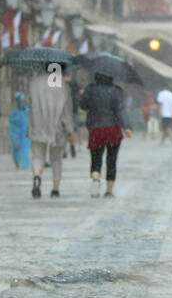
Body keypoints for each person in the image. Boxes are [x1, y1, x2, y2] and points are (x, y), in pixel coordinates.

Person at [80, 71, 134, 198]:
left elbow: (83, 106)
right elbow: (120, 110)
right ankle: (109, 191)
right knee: (112, 160)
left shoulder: (90, 89)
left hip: (96, 129)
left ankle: (95, 177)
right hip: (112, 129)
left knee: (96, 158)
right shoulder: (116, 91)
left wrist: (85, 97)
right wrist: (127, 126)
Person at [27, 64, 77, 198]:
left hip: (37, 125)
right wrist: (71, 131)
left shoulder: (34, 83)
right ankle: (55, 189)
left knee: (38, 156)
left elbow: (29, 104)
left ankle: (37, 176)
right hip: (57, 128)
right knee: (56, 159)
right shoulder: (63, 87)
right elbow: (66, 112)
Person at [8, 91, 31, 170]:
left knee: (24, 148)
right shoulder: (14, 112)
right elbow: (11, 122)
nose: (23, 102)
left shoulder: (27, 110)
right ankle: (17, 162)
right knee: (16, 149)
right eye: (22, 101)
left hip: (25, 133)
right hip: (16, 134)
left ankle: (24, 163)